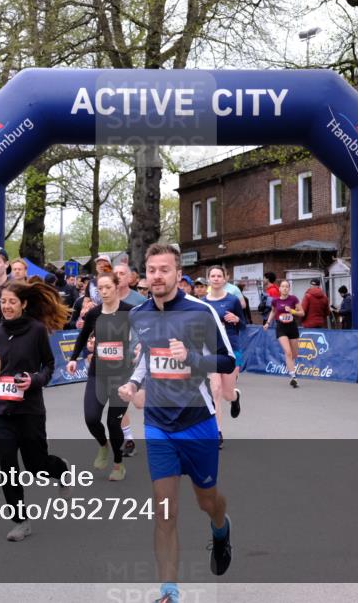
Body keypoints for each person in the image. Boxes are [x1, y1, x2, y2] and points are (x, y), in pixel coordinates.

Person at [118, 244, 235, 603]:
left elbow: (228, 361)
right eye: (151, 269)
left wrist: (194, 358)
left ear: (177, 274)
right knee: (164, 510)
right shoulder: (138, 314)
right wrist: (134, 383)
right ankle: (169, 591)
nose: (157, 276)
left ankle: (221, 528)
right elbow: (147, 360)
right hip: (158, 424)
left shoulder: (201, 312)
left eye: (164, 269)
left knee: (207, 500)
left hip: (198, 423)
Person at [0, 279, 72, 541]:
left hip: (30, 409)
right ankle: (21, 520)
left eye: (12, 302)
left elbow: (49, 366)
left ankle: (61, 469)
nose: (7, 306)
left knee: (36, 466)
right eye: (3, 302)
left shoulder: (36, 330)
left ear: (23, 304)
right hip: (3, 412)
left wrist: (33, 380)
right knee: (8, 466)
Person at [68, 272, 134, 481]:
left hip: (122, 376)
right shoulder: (94, 313)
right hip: (98, 373)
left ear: (116, 287)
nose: (103, 292)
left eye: (107, 287)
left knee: (114, 424)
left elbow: (143, 337)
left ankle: (118, 464)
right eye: (100, 289)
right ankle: (103, 446)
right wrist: (73, 358)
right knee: (91, 418)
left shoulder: (130, 312)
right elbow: (82, 336)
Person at [204, 266, 246, 448]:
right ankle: (217, 432)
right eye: (212, 276)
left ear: (225, 278)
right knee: (215, 390)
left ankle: (235, 397)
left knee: (227, 393)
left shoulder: (233, 300)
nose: (215, 279)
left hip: (231, 349)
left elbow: (244, 324)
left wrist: (237, 320)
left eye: (219, 276)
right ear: (208, 279)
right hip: (211, 350)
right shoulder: (202, 303)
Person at [263, 280, 304, 387]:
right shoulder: (275, 301)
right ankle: (293, 377)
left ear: (289, 289)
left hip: (292, 327)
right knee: (288, 352)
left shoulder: (293, 299)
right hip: (281, 327)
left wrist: (292, 311)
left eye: (287, 287)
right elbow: (273, 311)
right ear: (279, 289)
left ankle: (290, 367)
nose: (285, 288)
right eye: (283, 286)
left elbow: (302, 313)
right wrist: (268, 322)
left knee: (294, 354)